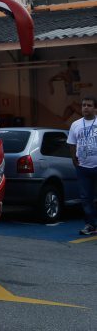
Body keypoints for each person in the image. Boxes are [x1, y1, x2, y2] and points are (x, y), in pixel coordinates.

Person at [66, 96, 97, 236]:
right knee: (85, 198)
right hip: (83, 168)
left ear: (95, 108)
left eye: (89, 105)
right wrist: (74, 159)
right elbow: (71, 143)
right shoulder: (76, 124)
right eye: (84, 105)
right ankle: (90, 225)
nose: (85, 107)